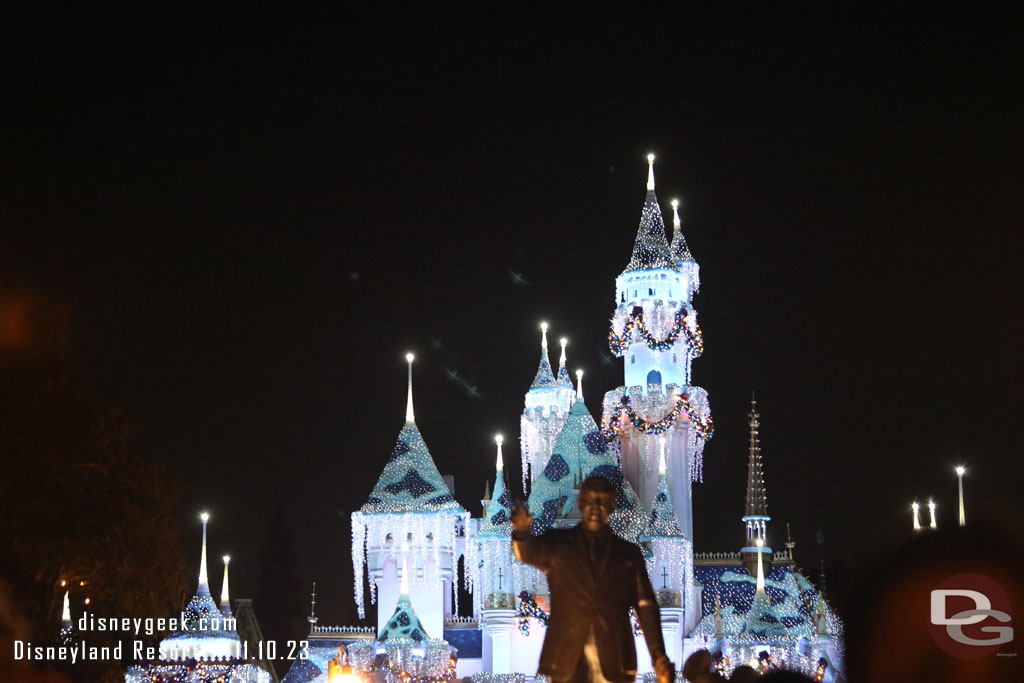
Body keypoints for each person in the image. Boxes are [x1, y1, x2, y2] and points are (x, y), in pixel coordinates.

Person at [511, 476, 675, 683]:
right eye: (590, 500)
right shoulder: (559, 545)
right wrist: (522, 533)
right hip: (566, 658)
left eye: (603, 501)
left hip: (615, 657)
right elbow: (528, 553)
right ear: (580, 502)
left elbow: (646, 605)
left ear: (612, 505)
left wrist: (658, 654)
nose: (596, 507)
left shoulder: (628, 554)